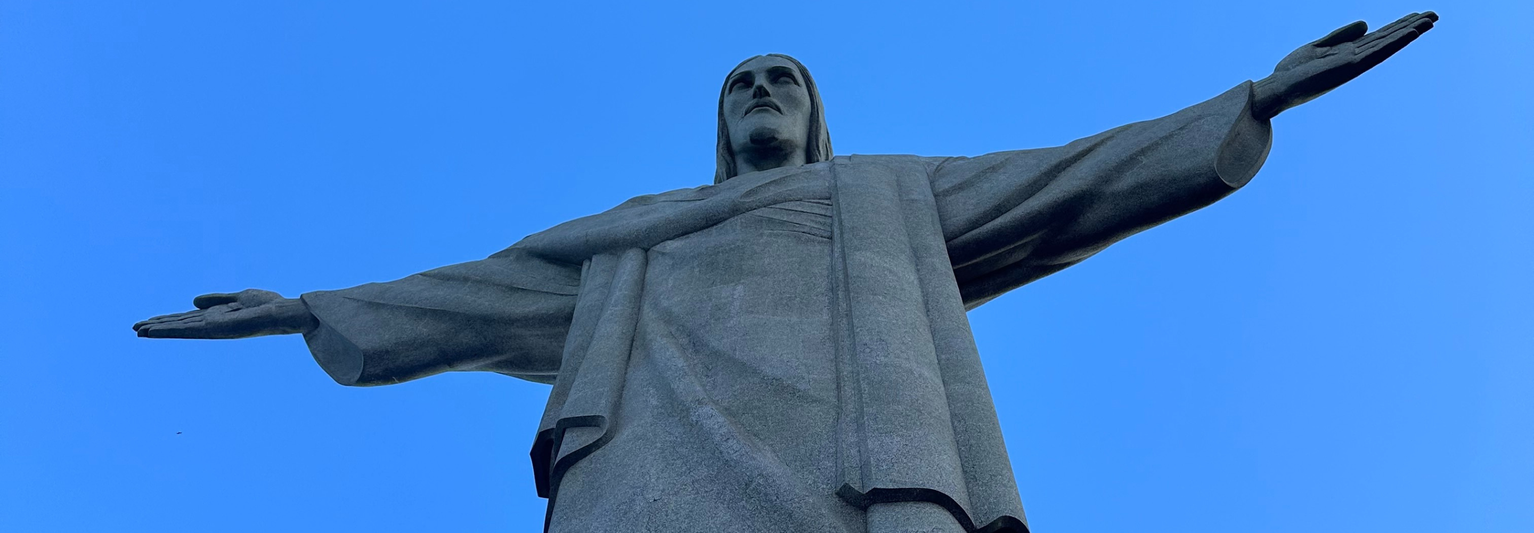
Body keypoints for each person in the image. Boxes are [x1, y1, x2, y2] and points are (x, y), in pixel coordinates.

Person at [135, 13, 1437, 533]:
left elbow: (1069, 179)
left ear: (814, 116)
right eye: (742, 80)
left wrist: (1251, 99)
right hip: (651, 460)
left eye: (783, 79)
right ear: (722, 118)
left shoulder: (886, 197)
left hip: (859, 453)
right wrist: (307, 307)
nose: (762, 91)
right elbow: (482, 291)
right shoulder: (631, 230)